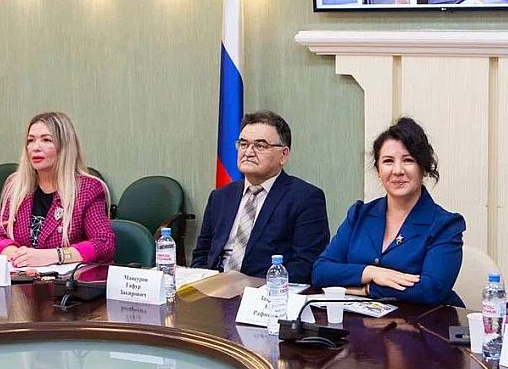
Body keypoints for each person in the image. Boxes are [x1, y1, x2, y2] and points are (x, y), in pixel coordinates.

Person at [312, 117, 465, 306]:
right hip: (360, 321)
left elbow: (431, 290)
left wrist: (368, 290)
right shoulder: (359, 214)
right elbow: (321, 271)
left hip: (424, 322)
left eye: (408, 160)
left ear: (424, 169)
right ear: (378, 170)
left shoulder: (445, 225)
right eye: (388, 161)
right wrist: (371, 272)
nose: (397, 170)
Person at [191, 110, 329, 284]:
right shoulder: (220, 196)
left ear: (284, 155)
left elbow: (306, 264)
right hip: (215, 288)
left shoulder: (305, 198)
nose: (248, 152)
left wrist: (253, 286)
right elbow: (202, 253)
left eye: (260, 146)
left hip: (265, 292)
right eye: (243, 144)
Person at [0, 112, 114, 268]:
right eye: (30, 140)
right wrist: (19, 256)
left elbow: (104, 244)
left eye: (46, 140)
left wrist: (54, 256)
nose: (36, 148)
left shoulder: (87, 189)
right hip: (23, 277)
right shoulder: (16, 185)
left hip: (65, 281)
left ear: (65, 146)